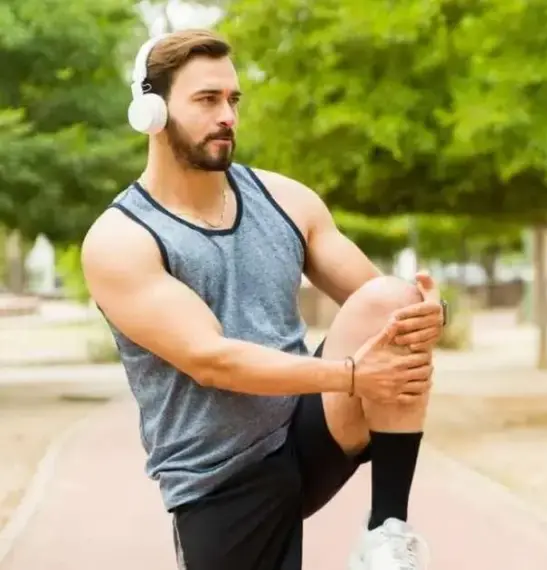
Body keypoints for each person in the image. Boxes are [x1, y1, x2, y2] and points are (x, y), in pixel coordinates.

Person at [81, 28, 446, 570]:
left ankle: (386, 534)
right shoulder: (121, 240)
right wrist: (350, 375)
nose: (227, 115)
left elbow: (383, 305)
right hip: (219, 475)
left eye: (233, 100)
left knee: (390, 301)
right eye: (207, 100)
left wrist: (430, 316)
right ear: (151, 112)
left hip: (305, 429)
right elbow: (210, 360)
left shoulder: (284, 199)